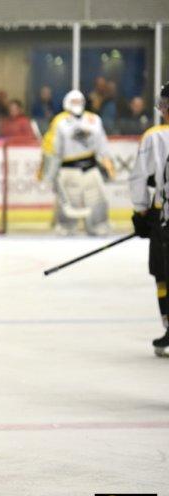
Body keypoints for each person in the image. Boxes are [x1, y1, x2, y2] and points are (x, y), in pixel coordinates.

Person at [39, 90, 115, 236]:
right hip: (69, 169)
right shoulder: (59, 121)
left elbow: (102, 143)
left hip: (91, 167)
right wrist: (49, 172)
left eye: (79, 101)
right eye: (74, 102)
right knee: (69, 201)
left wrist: (108, 162)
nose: (77, 104)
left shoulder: (94, 119)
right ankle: (66, 227)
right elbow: (51, 147)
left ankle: (98, 225)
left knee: (97, 199)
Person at [129, 82, 169, 357]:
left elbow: (139, 176)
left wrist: (141, 211)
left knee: (162, 273)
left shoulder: (155, 136)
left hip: (163, 216)